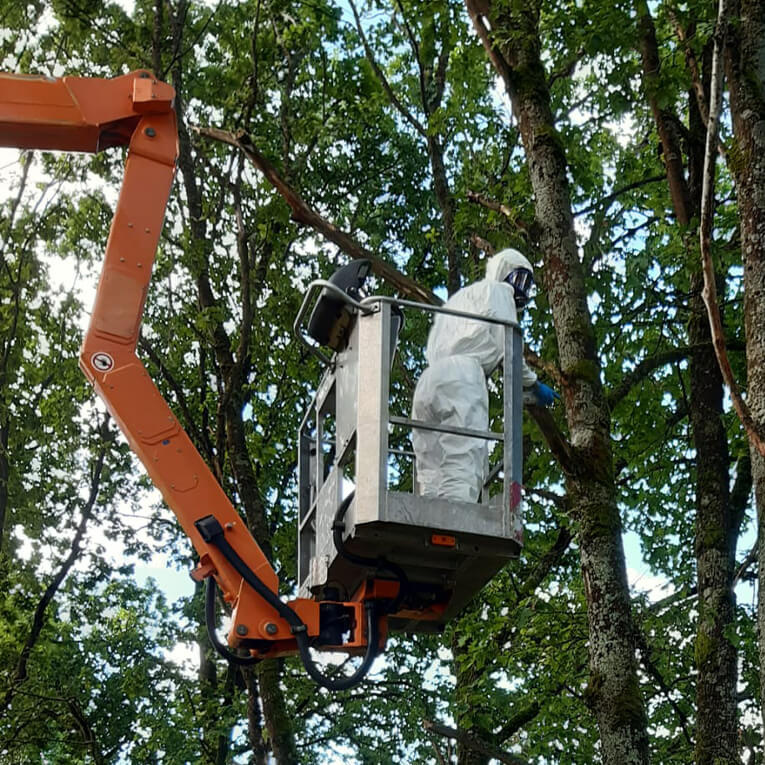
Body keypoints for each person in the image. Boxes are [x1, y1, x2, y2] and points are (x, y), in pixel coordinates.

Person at [411, 248, 558, 502]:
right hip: (463, 377)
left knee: (431, 463)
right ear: (507, 273)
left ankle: (431, 518)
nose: (521, 290)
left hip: (429, 381)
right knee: (464, 458)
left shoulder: (463, 297)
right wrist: (532, 384)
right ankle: (456, 524)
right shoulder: (500, 292)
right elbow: (507, 344)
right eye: (521, 279)